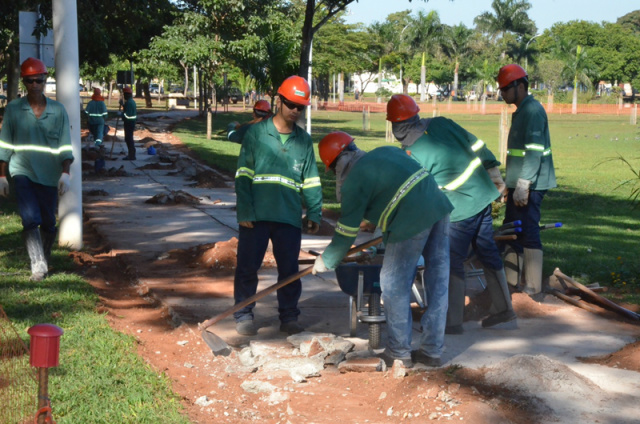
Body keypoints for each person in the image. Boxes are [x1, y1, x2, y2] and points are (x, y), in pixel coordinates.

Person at [313, 133, 453, 368]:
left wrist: (327, 260)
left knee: (392, 284)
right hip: (439, 207)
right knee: (438, 282)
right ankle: (431, 351)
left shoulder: (354, 181)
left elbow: (347, 232)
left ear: (338, 164)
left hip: (411, 220)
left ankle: (399, 352)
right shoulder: (385, 151)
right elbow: (396, 191)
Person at [386, 94, 516, 334]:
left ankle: (452, 321)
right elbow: (476, 144)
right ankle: (505, 310)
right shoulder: (442, 122)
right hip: (483, 197)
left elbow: (420, 194)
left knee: (452, 262)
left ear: (396, 126)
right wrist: (493, 171)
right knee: (487, 253)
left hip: (461, 210)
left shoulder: (412, 153)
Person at [233, 75, 322, 336]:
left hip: (289, 217)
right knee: (247, 267)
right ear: (279, 101)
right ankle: (244, 314)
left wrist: (314, 211)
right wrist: (245, 210)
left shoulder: (304, 141)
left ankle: (289, 316)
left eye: (300, 107)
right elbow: (243, 175)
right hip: (256, 215)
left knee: (289, 271)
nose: (295, 111)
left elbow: (312, 179)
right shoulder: (257, 134)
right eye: (291, 104)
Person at [0, 57, 74, 281]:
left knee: (48, 223)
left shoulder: (58, 111)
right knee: (29, 218)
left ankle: (43, 255)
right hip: (22, 171)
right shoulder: (13, 110)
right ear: (24, 82)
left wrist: (65, 172)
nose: (34, 85)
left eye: (38, 81)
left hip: (49, 175)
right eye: (30, 81)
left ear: (45, 81)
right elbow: (5, 144)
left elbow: (65, 144)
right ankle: (38, 265)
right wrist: (2, 175)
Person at [497, 64, 557, 295]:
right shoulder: (522, 110)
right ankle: (511, 285)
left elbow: (533, 151)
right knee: (512, 229)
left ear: (520, 87)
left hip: (531, 184)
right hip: (519, 182)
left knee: (529, 230)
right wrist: (508, 183)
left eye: (505, 89)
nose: (502, 93)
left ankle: (532, 288)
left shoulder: (532, 111)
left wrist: (524, 184)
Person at [120, 86, 137, 160]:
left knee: (129, 138)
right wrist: (123, 105)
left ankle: (131, 155)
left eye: (124, 95)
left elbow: (127, 115)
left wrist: (121, 114)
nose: (124, 96)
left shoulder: (129, 103)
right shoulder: (130, 102)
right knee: (128, 138)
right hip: (130, 123)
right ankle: (131, 154)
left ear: (127, 94)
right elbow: (127, 109)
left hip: (129, 123)